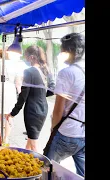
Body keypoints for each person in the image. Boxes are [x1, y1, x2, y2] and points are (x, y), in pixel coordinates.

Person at [45, 33, 85, 177]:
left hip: (67, 132)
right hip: (83, 133)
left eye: (62, 50)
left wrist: (52, 129)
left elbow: (58, 109)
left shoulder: (67, 73)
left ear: (70, 51)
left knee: (47, 168)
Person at [7, 45, 54, 152]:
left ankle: (38, 166)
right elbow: (52, 90)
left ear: (32, 57)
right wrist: (40, 95)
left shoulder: (29, 71)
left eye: (26, 57)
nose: (25, 59)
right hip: (43, 108)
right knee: (31, 137)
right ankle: (24, 156)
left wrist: (13, 113)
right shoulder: (46, 69)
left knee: (34, 145)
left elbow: (23, 96)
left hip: (32, 110)